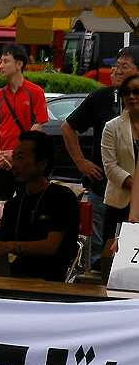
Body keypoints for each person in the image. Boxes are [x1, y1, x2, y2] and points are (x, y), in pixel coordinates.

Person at [62, 46, 139, 264]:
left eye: (125, 66)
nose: (117, 70)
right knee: (101, 253)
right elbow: (68, 127)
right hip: (106, 191)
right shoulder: (102, 98)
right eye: (117, 65)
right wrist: (81, 163)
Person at [0, 131, 79, 281]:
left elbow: (51, 246)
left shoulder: (61, 197)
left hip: (49, 283)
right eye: (14, 157)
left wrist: (7, 246)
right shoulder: (14, 204)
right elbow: (2, 241)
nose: (14, 165)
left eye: (20, 158)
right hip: (11, 281)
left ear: (42, 163)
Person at [0, 44, 47, 202]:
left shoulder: (35, 92)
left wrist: (15, 153)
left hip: (24, 162)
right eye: (1, 61)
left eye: (6, 61)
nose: (0, 66)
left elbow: (38, 125)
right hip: (0, 162)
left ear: (19, 64)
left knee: (26, 203)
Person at [99, 72, 139, 276]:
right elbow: (110, 166)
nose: (131, 96)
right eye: (126, 92)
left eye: (137, 92)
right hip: (118, 204)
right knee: (112, 260)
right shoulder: (112, 127)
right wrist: (135, 185)